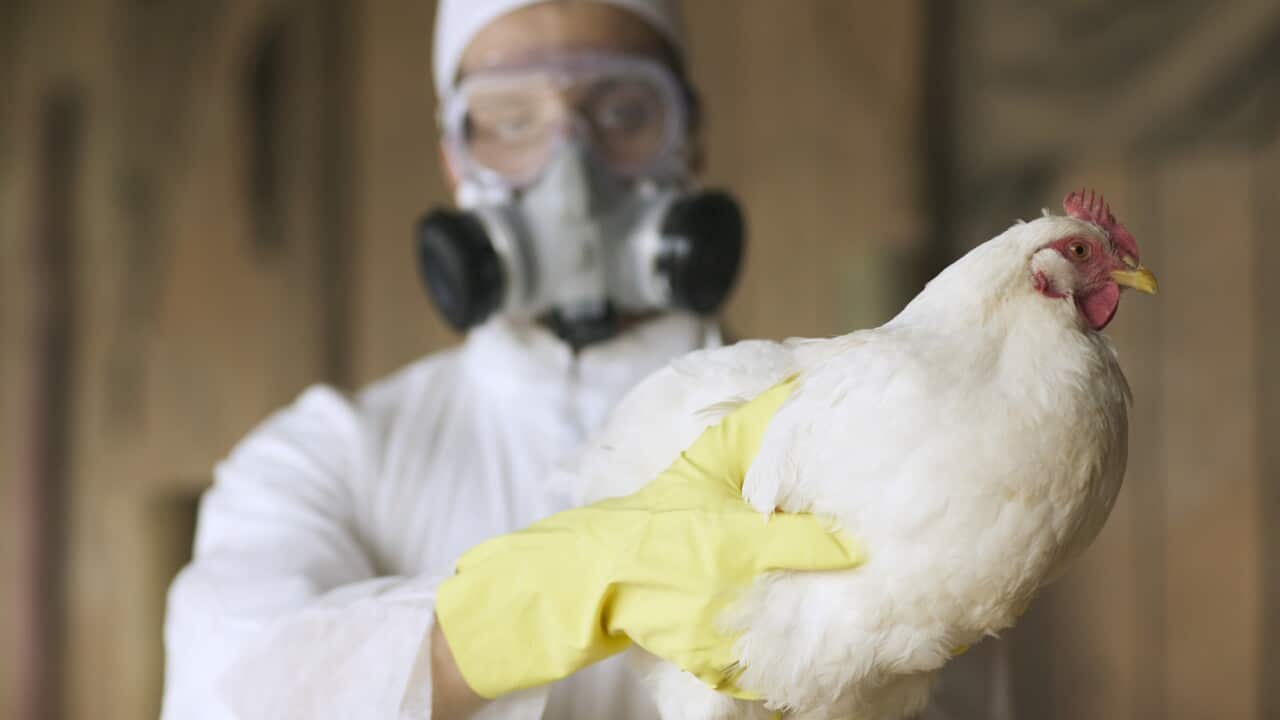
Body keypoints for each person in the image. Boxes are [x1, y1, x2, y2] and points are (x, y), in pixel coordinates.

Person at [162, 1, 1008, 718]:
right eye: (511, 121)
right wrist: (544, 600)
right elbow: (226, 688)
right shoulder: (321, 458)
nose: (570, 171)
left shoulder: (861, 448)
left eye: (624, 112)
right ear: (455, 158)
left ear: (690, 138)